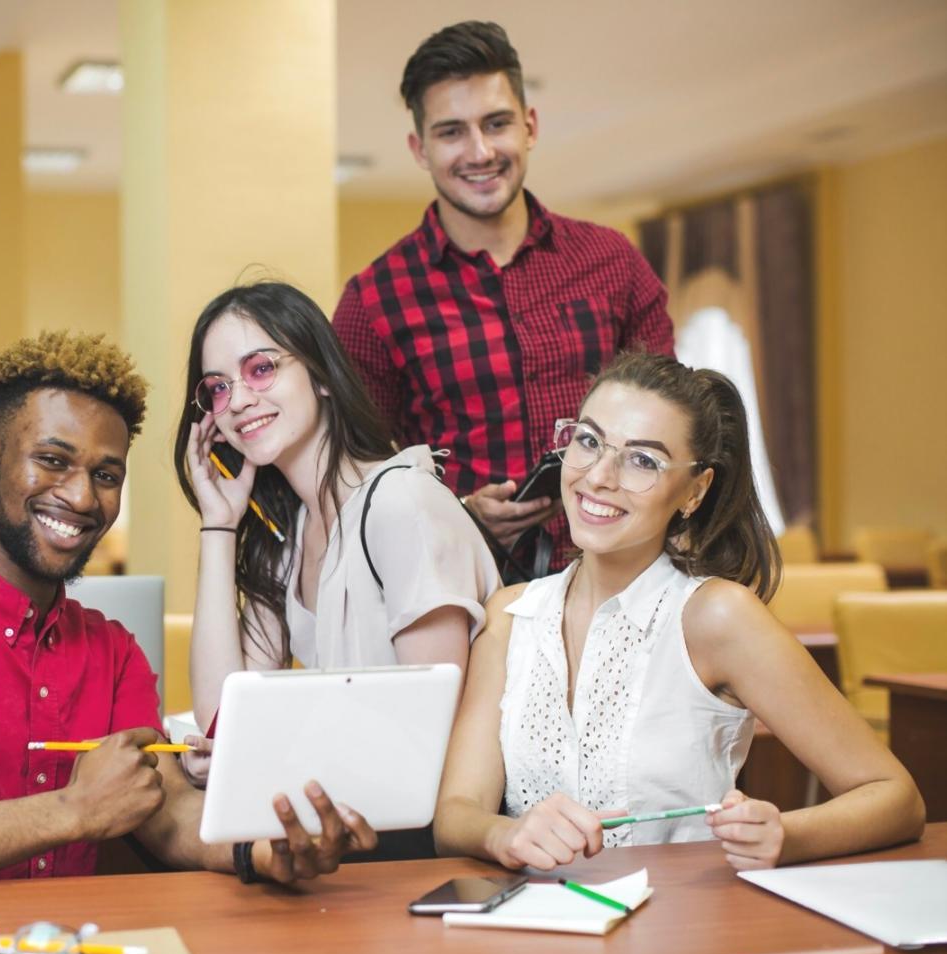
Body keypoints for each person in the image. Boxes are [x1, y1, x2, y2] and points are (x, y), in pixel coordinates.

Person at [0, 332, 378, 921]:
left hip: (86, 952)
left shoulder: (112, 651)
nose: (81, 496)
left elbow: (165, 813)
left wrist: (265, 851)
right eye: (52, 460)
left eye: (106, 474)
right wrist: (70, 811)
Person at [433, 352, 925, 871]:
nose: (599, 476)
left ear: (695, 491)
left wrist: (787, 834)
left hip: (679, 935)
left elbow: (895, 797)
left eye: (642, 460)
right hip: (526, 934)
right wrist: (504, 836)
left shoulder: (718, 617)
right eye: (589, 441)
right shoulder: (510, 616)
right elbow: (455, 815)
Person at [332, 21, 673, 572]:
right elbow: (351, 478)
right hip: (466, 595)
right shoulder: (374, 302)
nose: (481, 150)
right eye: (451, 132)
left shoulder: (612, 263)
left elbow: (673, 421)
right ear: (420, 148)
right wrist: (457, 512)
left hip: (627, 580)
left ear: (530, 125)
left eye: (496, 124)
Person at [176, 282, 500, 759]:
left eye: (261, 369)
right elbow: (222, 718)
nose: (239, 400)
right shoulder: (291, 534)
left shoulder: (402, 504)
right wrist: (220, 525)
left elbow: (429, 737)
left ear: (322, 375)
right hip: (355, 807)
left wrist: (265, 754)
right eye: (219, 387)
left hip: (429, 820)